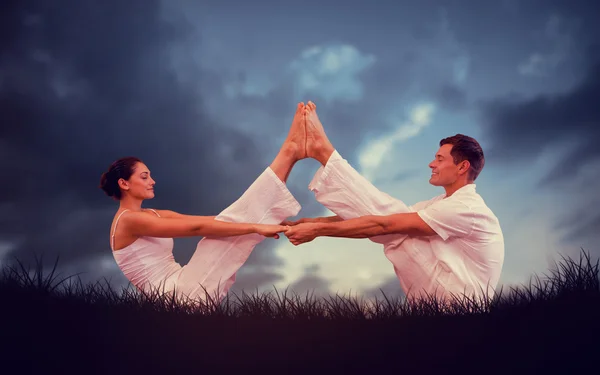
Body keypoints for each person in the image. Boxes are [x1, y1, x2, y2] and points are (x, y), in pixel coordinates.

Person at [284, 101, 505, 303]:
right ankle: (324, 153)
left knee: (396, 228)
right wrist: (313, 222)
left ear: (462, 167)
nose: (431, 164)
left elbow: (384, 225)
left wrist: (318, 230)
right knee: (394, 217)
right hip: (445, 299)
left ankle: (324, 152)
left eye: (439, 159)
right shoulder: (443, 203)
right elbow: (382, 218)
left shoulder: (466, 208)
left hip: (458, 304)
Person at [99, 103, 308, 304]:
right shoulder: (128, 221)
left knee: (229, 223)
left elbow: (213, 220)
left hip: (182, 286)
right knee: (221, 235)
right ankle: (290, 152)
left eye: (150, 176)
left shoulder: (152, 213)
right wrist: (255, 226)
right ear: (124, 183)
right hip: (177, 297)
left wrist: (264, 222)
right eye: (144, 177)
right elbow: (196, 228)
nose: (152, 181)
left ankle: (291, 153)